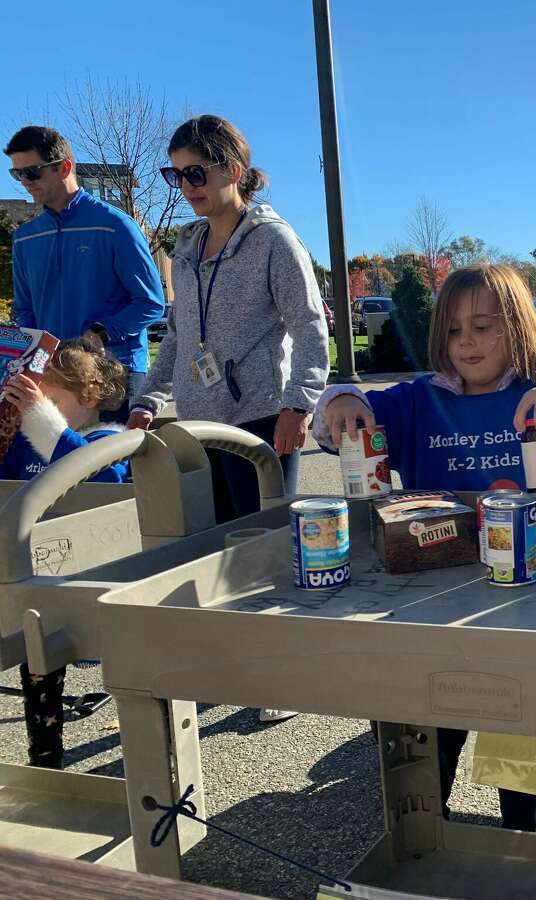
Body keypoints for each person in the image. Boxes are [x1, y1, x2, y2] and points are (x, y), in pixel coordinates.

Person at [315, 262, 536, 831]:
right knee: (429, 719)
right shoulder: (418, 401)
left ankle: (523, 832)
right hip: (433, 592)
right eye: (456, 330)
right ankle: (426, 833)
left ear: (516, 328)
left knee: (521, 726)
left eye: (485, 326)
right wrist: (340, 398)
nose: (468, 342)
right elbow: (330, 425)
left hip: (534, 590)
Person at [127, 115, 329, 527]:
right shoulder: (185, 250)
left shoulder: (274, 241)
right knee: (210, 547)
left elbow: (309, 326)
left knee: (261, 547)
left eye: (196, 174)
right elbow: (179, 335)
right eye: (176, 175)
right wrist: (148, 401)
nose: (186, 187)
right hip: (195, 424)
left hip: (260, 420)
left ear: (232, 171)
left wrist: (298, 405)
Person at [1, 339, 131, 768]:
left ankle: (146, 754)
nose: (39, 409)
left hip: (97, 579)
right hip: (35, 579)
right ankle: (45, 758)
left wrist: (42, 417)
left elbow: (105, 475)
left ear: (91, 396)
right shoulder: (24, 440)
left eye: (53, 400)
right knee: (37, 664)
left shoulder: (109, 438)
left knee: (132, 669)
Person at [5, 125, 165, 422]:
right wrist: (33, 360)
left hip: (115, 373)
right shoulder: (25, 238)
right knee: (60, 468)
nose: (25, 182)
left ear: (64, 167)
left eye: (33, 172)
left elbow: (152, 302)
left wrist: (103, 331)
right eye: (17, 174)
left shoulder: (116, 225)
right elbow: (25, 310)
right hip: (54, 378)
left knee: (114, 468)